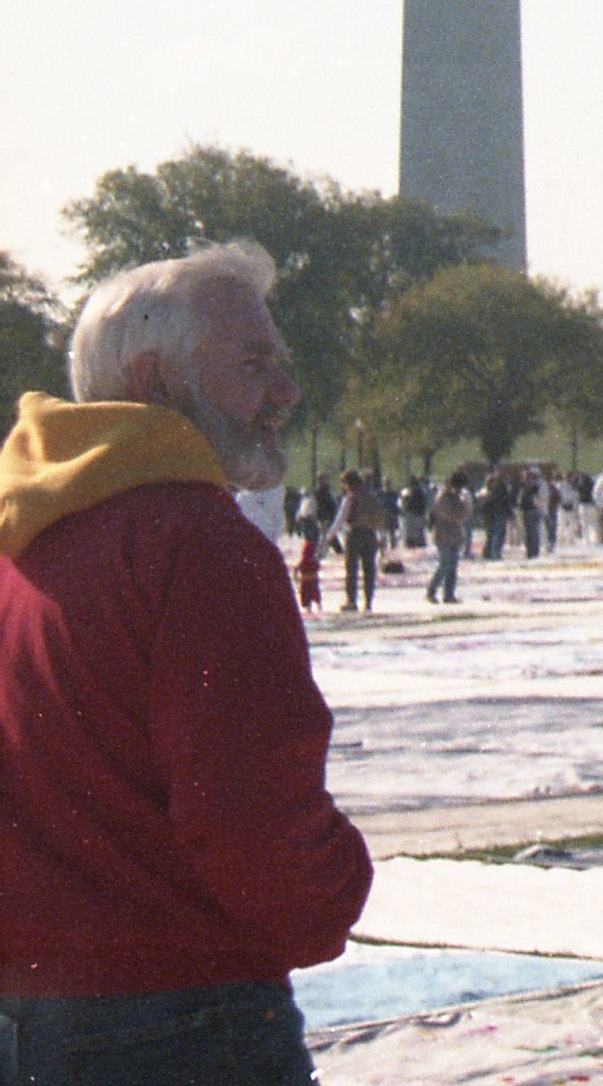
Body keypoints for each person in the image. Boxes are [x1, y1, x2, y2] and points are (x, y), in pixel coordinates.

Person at [0, 242, 372, 1079]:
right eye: (253, 364)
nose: (286, 391)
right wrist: (340, 886)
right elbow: (250, 819)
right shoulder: (200, 545)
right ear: (154, 381)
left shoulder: (20, 541)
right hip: (178, 1015)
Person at [334, 470, 384, 612]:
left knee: (352, 569)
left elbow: (340, 519)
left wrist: (329, 537)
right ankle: (368, 601)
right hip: (370, 535)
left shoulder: (350, 498)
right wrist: (382, 536)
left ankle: (351, 601)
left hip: (354, 534)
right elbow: (380, 517)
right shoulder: (372, 497)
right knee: (369, 569)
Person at [427, 472, 473, 602]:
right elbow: (450, 515)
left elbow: (463, 515)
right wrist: (462, 510)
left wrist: (465, 507)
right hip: (443, 535)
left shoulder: (457, 496)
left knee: (453, 567)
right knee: (444, 565)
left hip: (455, 535)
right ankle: (431, 591)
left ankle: (449, 595)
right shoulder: (443, 497)